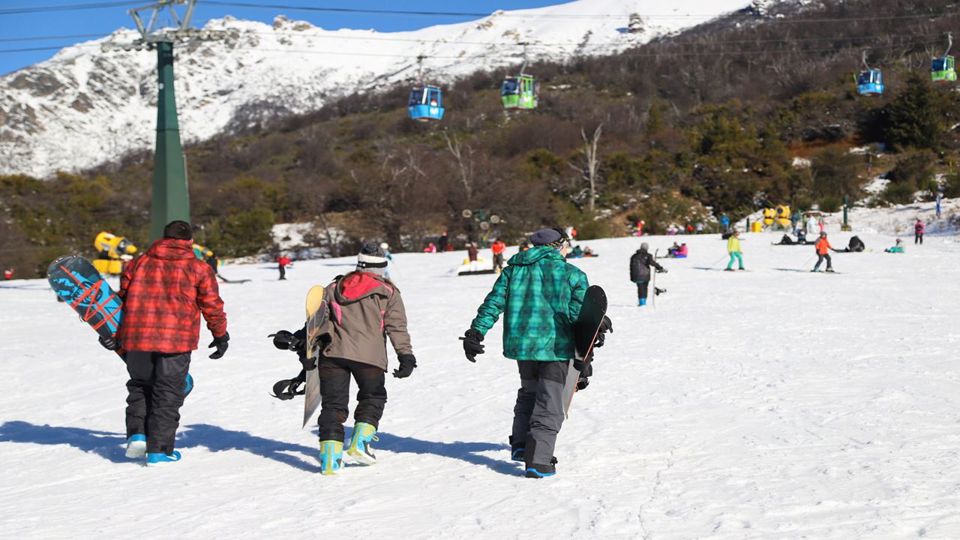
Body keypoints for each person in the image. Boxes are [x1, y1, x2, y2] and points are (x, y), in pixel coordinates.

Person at [461, 228, 610, 479]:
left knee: (529, 392)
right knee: (549, 402)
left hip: (522, 347)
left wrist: (476, 332)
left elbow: (493, 303)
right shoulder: (571, 274)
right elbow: (578, 316)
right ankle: (538, 461)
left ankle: (521, 446)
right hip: (554, 347)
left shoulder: (512, 271)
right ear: (558, 245)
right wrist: (596, 330)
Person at [99, 220, 228, 465]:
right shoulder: (199, 268)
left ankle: (137, 435)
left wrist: (109, 331)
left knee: (139, 385)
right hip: (176, 341)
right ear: (189, 241)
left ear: (163, 237)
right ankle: (159, 450)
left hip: (136, 337)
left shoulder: (137, 263)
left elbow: (121, 300)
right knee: (167, 393)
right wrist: (220, 335)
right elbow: (212, 305)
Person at [314, 243, 416, 475]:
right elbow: (396, 327)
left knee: (333, 405)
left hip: (333, 355)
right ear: (381, 267)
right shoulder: (388, 292)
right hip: (369, 357)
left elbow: (318, 321)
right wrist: (405, 355)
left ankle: (330, 459)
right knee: (373, 396)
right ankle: (360, 443)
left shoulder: (333, 287)